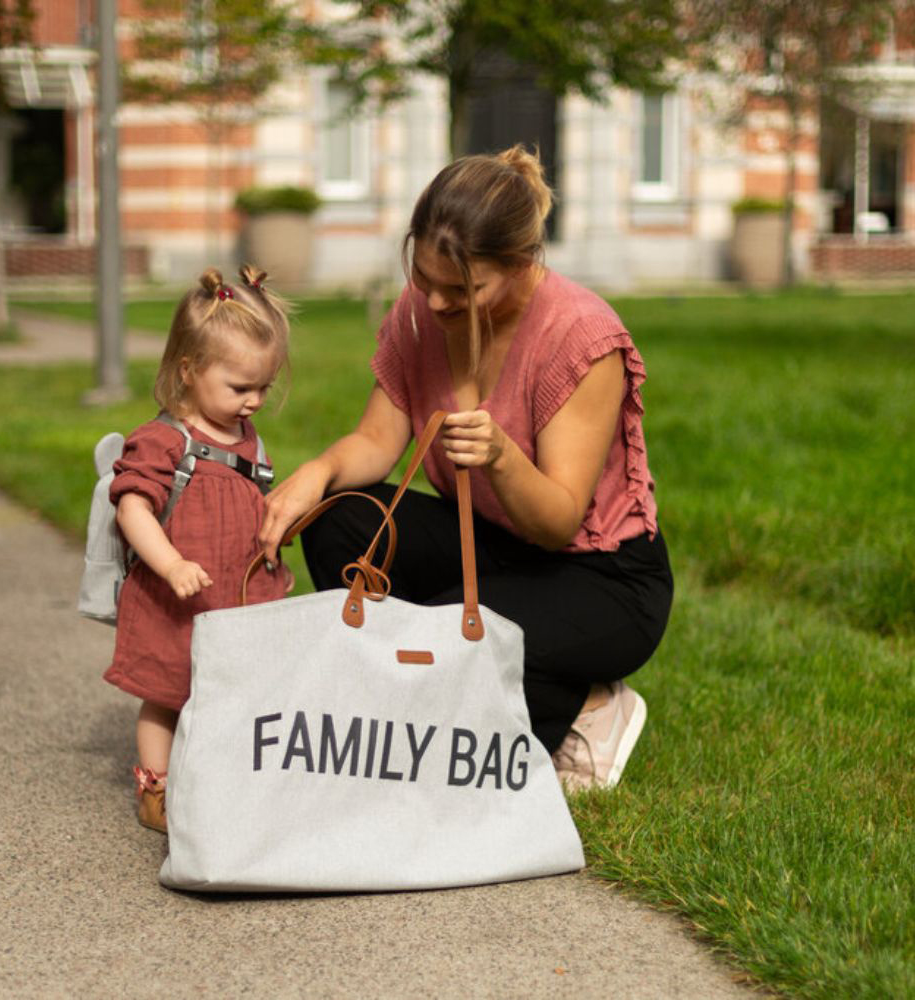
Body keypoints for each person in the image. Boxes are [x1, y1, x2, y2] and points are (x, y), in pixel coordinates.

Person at [260, 145, 674, 794]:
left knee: (450, 632)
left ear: (520, 264)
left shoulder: (581, 337)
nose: (437, 302)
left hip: (600, 576)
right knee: (344, 522)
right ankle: (443, 692)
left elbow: (560, 520)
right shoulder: (424, 309)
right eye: (425, 279)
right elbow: (377, 438)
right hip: (490, 545)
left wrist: (503, 455)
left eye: (463, 289)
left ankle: (591, 707)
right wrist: (317, 471)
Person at [104, 265, 292, 832]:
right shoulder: (166, 440)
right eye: (240, 388)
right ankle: (156, 790)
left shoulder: (246, 436)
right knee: (167, 694)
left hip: (235, 591)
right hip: (177, 597)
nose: (255, 401)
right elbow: (133, 507)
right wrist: (170, 563)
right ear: (189, 371)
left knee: (233, 688)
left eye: (264, 386)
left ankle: (223, 775)